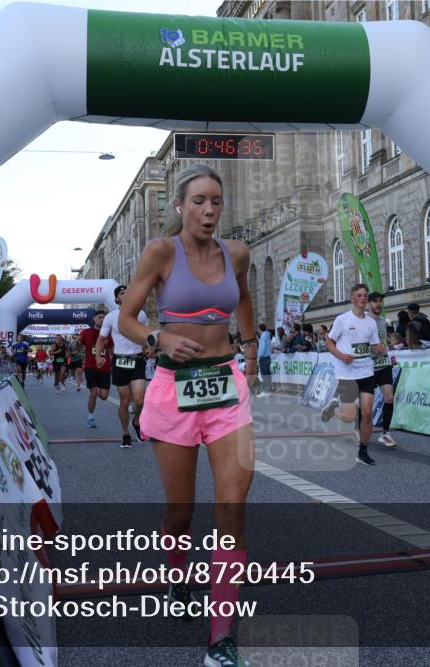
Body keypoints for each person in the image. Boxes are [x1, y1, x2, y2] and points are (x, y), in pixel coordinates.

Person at [117, 165, 259, 667]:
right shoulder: (161, 251)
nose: (208, 211)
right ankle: (178, 572)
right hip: (173, 390)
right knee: (181, 512)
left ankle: (221, 638)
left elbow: (243, 295)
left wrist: (250, 347)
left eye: (216, 202)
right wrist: (156, 338)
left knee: (232, 507)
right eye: (198, 201)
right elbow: (126, 317)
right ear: (179, 206)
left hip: (225, 387)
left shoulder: (235, 253)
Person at [320, 283, 385, 466]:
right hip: (347, 373)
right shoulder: (342, 320)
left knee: (367, 412)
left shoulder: (371, 322)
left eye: (365, 295)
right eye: (359, 295)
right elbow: (329, 343)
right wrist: (342, 356)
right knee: (349, 416)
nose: (363, 298)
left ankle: (363, 451)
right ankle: (333, 409)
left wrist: (379, 348)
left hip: (366, 371)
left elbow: (374, 347)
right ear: (352, 298)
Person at [98, 285, 149, 448]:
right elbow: (101, 339)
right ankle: (125, 432)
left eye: (128, 292)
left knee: (140, 400)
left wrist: (150, 347)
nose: (126, 295)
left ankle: (137, 421)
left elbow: (147, 335)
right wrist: (98, 356)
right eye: (122, 293)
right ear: (117, 299)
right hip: (120, 361)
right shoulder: (111, 317)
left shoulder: (141, 315)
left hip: (138, 360)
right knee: (125, 401)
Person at [367, 291, 397, 448]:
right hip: (368, 366)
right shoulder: (363, 321)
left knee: (389, 398)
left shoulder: (383, 321)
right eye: (375, 302)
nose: (379, 304)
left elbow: (384, 340)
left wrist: (387, 346)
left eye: (381, 302)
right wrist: (373, 349)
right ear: (369, 303)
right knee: (366, 402)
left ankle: (385, 434)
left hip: (384, 364)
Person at [78, 310, 113, 427]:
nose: (102, 319)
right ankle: (90, 417)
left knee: (104, 396)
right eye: (99, 317)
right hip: (91, 366)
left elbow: (112, 349)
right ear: (94, 319)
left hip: (105, 367)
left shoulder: (109, 334)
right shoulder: (86, 332)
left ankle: (97, 391)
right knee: (93, 393)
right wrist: (77, 342)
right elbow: (78, 346)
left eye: (104, 317)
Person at [257, 323, 272, 395]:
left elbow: (262, 348)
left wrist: (259, 355)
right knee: (268, 373)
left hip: (263, 357)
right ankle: (269, 388)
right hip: (268, 356)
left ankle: (266, 390)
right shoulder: (268, 335)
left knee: (264, 374)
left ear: (260, 329)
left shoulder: (263, 336)